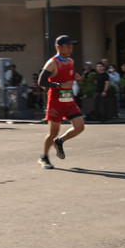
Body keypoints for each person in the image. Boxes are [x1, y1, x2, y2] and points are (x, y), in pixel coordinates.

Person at [38, 35, 85, 169]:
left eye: (72, 46)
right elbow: (41, 82)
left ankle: (59, 142)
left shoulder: (70, 61)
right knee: (53, 132)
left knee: (80, 126)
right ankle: (44, 157)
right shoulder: (52, 63)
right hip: (55, 102)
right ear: (59, 47)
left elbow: (68, 76)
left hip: (69, 100)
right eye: (68, 46)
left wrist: (76, 76)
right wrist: (59, 85)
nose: (71, 49)